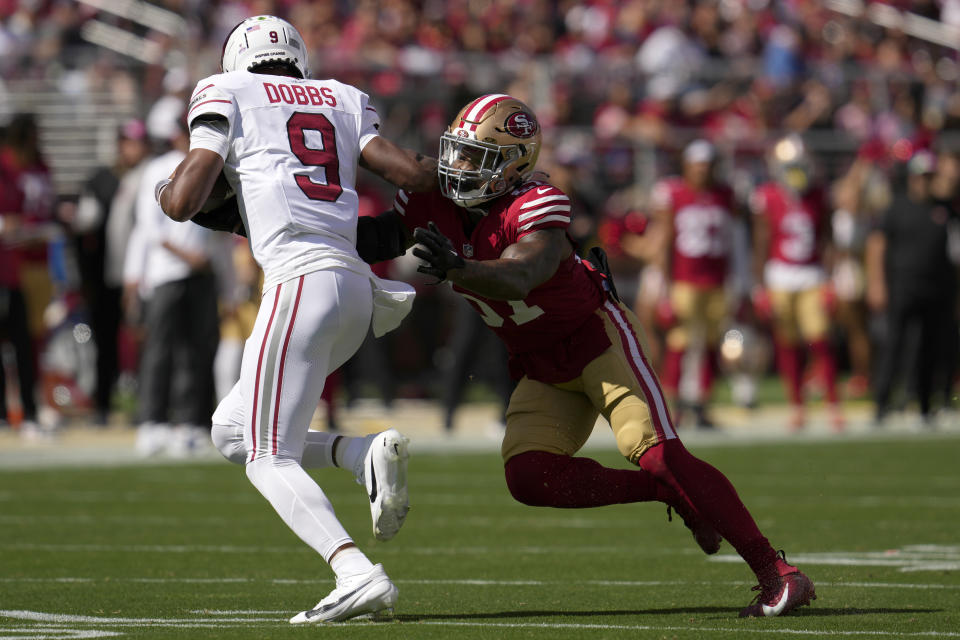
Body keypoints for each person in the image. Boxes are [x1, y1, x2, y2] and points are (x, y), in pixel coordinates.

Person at [372, 94, 816, 618]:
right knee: (529, 477)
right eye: (456, 152)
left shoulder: (537, 203)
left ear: (514, 162)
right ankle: (666, 493)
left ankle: (777, 574)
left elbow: (521, 274)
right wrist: (268, 226)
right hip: (539, 362)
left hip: (596, 341)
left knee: (656, 450)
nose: (458, 166)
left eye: (476, 157)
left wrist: (459, 269)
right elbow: (378, 236)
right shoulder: (432, 200)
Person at [156, 15, 436, 624]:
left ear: (237, 58)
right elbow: (411, 175)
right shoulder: (342, 97)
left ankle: (354, 572)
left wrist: (167, 190)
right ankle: (357, 454)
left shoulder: (226, 90)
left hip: (299, 282)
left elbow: (183, 202)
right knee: (232, 432)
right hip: (355, 288)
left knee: (265, 455)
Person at [124, 117, 229, 457]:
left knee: (198, 350)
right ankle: (151, 421)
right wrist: (188, 256)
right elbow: (149, 228)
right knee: (160, 349)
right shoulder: (160, 167)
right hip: (167, 274)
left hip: (201, 274)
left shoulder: (212, 167)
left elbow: (218, 233)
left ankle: (191, 423)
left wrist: (220, 276)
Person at [750, 134, 843, 431]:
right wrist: (759, 286)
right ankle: (797, 405)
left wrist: (831, 280)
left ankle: (832, 404)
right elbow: (761, 242)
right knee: (788, 345)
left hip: (812, 275)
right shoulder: (767, 195)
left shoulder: (818, 194)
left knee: (821, 341)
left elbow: (829, 239)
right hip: (780, 276)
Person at [648, 139, 737, 428]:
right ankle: (674, 407)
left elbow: (736, 241)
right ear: (687, 167)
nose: (702, 172)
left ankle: (703, 403)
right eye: (698, 166)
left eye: (707, 166)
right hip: (684, 280)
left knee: (711, 345)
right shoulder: (674, 194)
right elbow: (664, 243)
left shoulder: (726, 194)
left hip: (716, 280)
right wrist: (663, 288)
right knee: (679, 344)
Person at [866, 150, 959, 425]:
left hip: (937, 288)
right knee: (894, 345)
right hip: (903, 287)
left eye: (929, 176)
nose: (924, 182)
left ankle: (925, 406)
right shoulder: (897, 207)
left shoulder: (944, 209)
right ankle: (881, 404)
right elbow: (876, 245)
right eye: (921, 177)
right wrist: (877, 283)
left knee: (930, 348)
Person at [68, 119, 150, 425]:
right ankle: (103, 403)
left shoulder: (151, 174)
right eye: (130, 142)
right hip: (106, 273)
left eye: (139, 142)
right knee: (105, 342)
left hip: (142, 274)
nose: (135, 148)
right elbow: (84, 225)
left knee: (143, 339)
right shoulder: (102, 179)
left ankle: (144, 404)